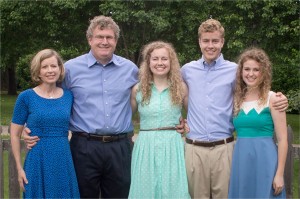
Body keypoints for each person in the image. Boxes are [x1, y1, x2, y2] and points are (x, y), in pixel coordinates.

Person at [23, 16, 139, 198]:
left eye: (109, 37)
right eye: (99, 36)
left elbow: (151, 96)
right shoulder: (70, 70)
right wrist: (26, 128)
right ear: (90, 39)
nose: (104, 42)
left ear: (115, 41)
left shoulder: (130, 69)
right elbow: (49, 99)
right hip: (84, 147)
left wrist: (176, 120)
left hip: (120, 148)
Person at [181, 19, 288, 198]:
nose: (210, 45)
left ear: (222, 42)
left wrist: (281, 98)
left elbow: (256, 90)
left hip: (225, 149)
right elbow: (171, 94)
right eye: (206, 41)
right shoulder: (186, 70)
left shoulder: (236, 71)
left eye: (215, 41)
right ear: (199, 42)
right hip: (195, 149)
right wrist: (178, 120)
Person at [10, 49, 80, 198]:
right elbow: (14, 134)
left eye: (54, 66)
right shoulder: (26, 97)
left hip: (62, 159)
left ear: (60, 69)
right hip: (37, 160)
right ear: (38, 71)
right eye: (45, 67)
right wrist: (19, 169)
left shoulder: (69, 96)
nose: (50, 71)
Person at [128, 41, 190, 198]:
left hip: (172, 146)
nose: (160, 63)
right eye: (155, 59)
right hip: (146, 148)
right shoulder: (138, 89)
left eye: (164, 59)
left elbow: (194, 115)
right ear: (148, 62)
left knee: (174, 190)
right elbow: (124, 117)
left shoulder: (181, 88)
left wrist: (186, 125)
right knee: (145, 191)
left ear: (171, 62)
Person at [228, 47, 287, 198]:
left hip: (266, 159)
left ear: (263, 73)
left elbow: (282, 140)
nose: (251, 74)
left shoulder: (273, 98)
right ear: (241, 72)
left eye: (256, 70)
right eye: (247, 69)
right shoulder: (236, 100)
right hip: (241, 160)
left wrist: (279, 174)